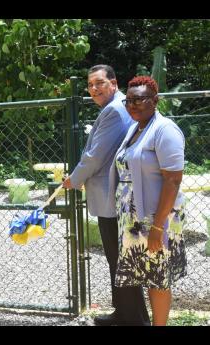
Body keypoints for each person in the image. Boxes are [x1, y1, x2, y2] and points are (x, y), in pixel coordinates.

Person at [62, 65, 150, 326]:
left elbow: (96, 155)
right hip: (115, 196)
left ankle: (133, 318)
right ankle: (123, 314)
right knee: (118, 260)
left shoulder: (113, 110)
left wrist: (74, 178)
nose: (94, 89)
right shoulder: (118, 106)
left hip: (112, 198)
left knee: (121, 260)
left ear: (114, 83)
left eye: (99, 83)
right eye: (90, 85)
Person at [107, 76, 187, 326]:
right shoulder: (136, 128)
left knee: (158, 278)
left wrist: (157, 226)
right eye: (128, 100)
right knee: (146, 275)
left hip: (155, 219)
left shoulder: (165, 129)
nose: (132, 105)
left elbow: (173, 180)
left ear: (155, 100)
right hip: (134, 221)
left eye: (139, 99)